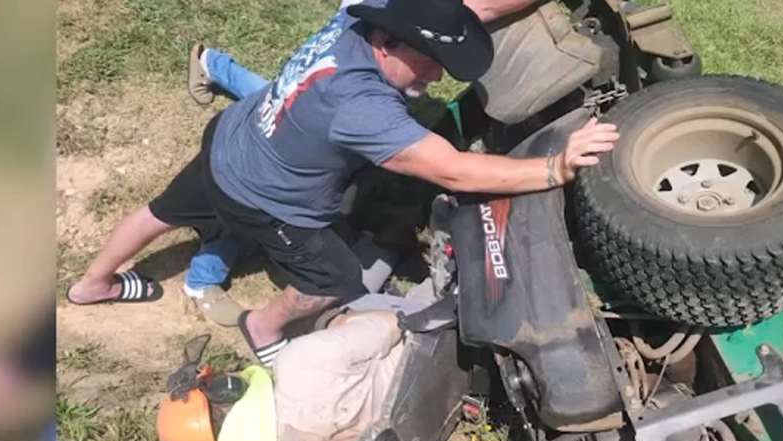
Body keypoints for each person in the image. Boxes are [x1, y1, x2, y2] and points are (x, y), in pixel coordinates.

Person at [66, 0, 619, 367]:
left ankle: (92, 284)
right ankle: (264, 327)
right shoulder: (363, 108)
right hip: (263, 199)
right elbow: (453, 169)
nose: (435, 78)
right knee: (333, 278)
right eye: (430, 64)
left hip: (232, 139)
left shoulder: (359, 18)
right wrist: (555, 167)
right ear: (389, 44)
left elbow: (469, 9)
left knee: (160, 211)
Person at [157, 306, 410, 441]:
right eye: (212, 382)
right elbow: (393, 323)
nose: (220, 374)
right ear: (226, 392)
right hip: (419, 356)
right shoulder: (298, 361)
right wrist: (341, 320)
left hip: (418, 424)